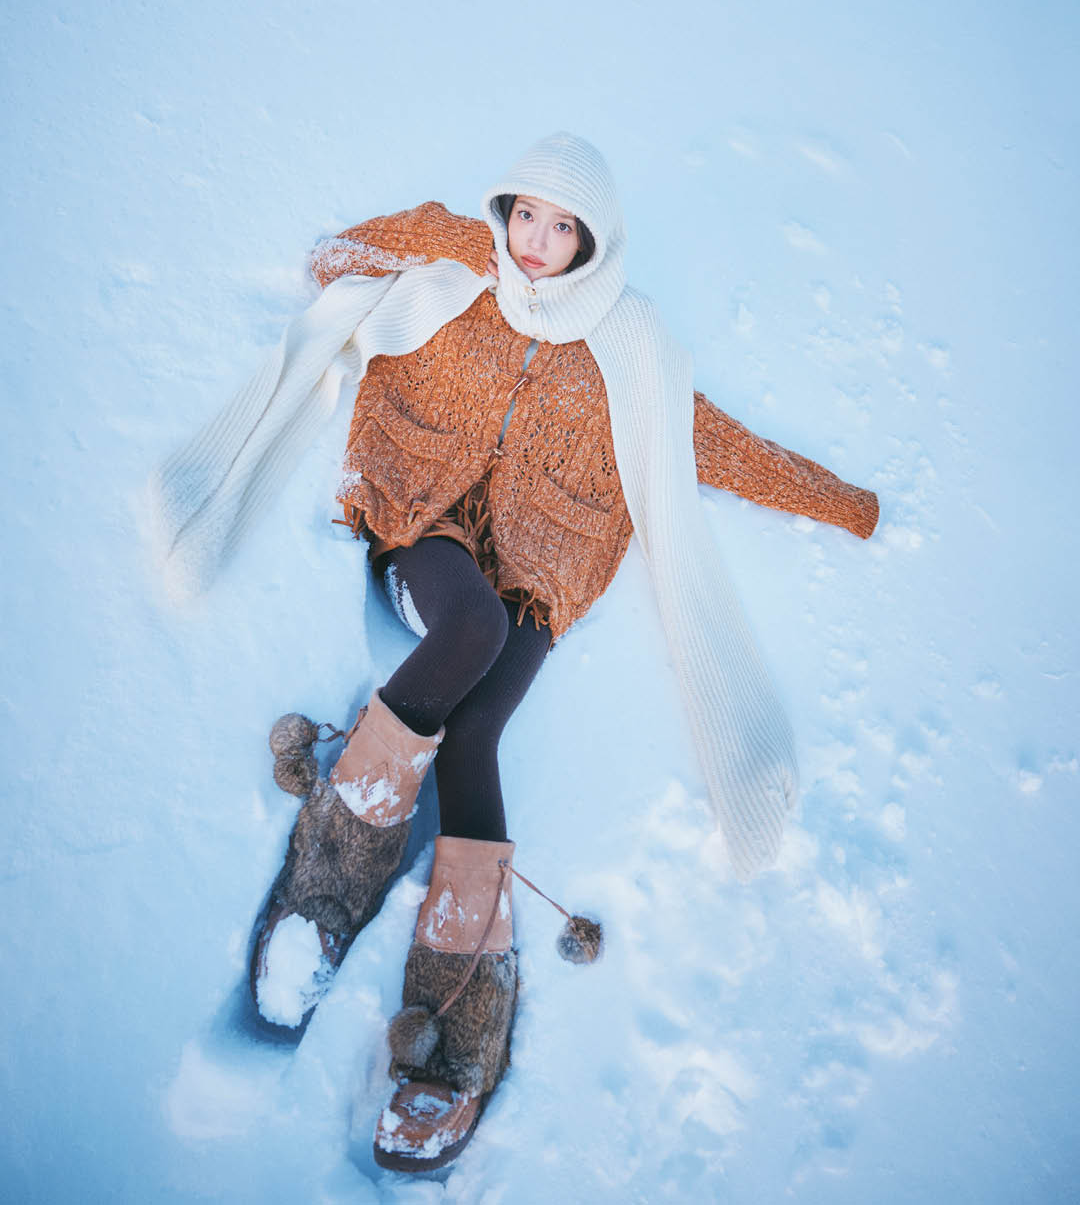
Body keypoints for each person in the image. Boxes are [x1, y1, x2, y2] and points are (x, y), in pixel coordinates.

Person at [153, 132, 878, 1171]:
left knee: (478, 728)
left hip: (542, 569)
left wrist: (844, 505)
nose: (534, 242)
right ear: (505, 211)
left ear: (594, 240)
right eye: (524, 215)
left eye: (561, 225)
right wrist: (346, 258)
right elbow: (346, 252)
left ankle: (461, 987)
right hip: (425, 534)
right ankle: (334, 867)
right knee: (470, 631)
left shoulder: (630, 346)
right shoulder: (460, 255)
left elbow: (713, 445)